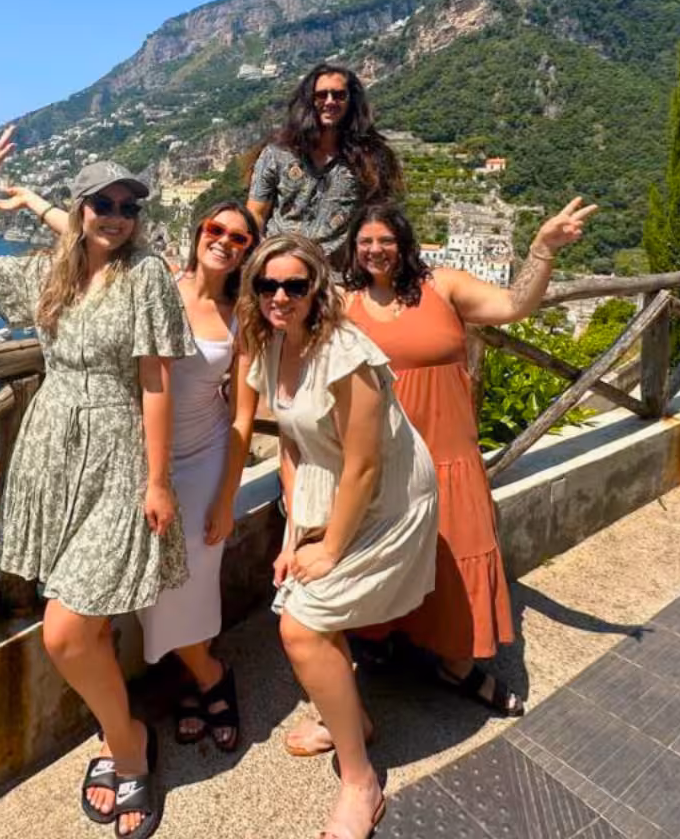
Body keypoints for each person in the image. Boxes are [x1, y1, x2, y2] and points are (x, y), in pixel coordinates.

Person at [0, 129, 190, 839]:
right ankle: (126, 735)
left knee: (67, 630)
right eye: (103, 204)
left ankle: (128, 746)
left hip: (117, 454)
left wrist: (158, 479)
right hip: (53, 449)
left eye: (129, 205)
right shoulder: (50, 274)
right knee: (82, 616)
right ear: (81, 208)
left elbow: (155, 381)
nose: (117, 215)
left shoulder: (144, 275)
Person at [0, 185, 262, 751]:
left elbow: (242, 417)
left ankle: (208, 677)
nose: (224, 243)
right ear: (197, 235)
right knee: (149, 586)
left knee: (186, 587)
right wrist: (30, 200)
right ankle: (192, 677)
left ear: (248, 250)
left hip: (204, 460)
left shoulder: (243, 315)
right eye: (215, 231)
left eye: (239, 238)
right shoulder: (154, 277)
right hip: (139, 461)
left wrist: (224, 499)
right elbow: (84, 228)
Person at [341, 198, 597, 717]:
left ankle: (457, 664)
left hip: (449, 451)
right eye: (365, 241)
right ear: (353, 247)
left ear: (404, 243)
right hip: (381, 459)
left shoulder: (444, 285)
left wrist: (542, 250)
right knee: (380, 556)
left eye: (386, 240)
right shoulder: (343, 301)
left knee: (460, 551)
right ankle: (381, 642)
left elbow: (513, 307)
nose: (375, 250)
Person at [231, 233, 438, 839]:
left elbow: (367, 465)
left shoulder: (346, 353)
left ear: (316, 288)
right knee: (309, 605)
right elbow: (293, 443)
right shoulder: (271, 345)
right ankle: (348, 717)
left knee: (300, 626)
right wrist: (297, 533)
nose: (280, 296)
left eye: (295, 285)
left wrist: (332, 546)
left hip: (388, 500)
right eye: (268, 285)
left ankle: (359, 779)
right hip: (331, 488)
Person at [247, 63, 403, 262]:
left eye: (339, 95)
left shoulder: (372, 158)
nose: (330, 101)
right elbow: (255, 214)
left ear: (351, 101)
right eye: (321, 95)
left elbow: (379, 219)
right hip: (279, 270)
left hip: (337, 277)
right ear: (309, 101)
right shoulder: (276, 153)